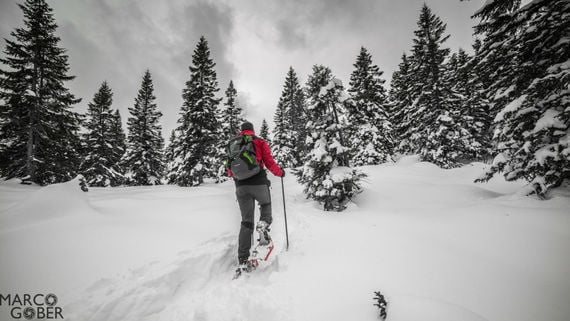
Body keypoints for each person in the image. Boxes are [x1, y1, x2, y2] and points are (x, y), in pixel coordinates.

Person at [228, 121, 284, 271]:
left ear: (241, 131)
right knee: (265, 205)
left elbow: (229, 171)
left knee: (246, 222)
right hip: (258, 183)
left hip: (241, 187)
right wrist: (280, 173)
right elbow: (269, 162)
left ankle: (242, 258)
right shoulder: (259, 141)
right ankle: (263, 224)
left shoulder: (234, 144)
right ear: (252, 130)